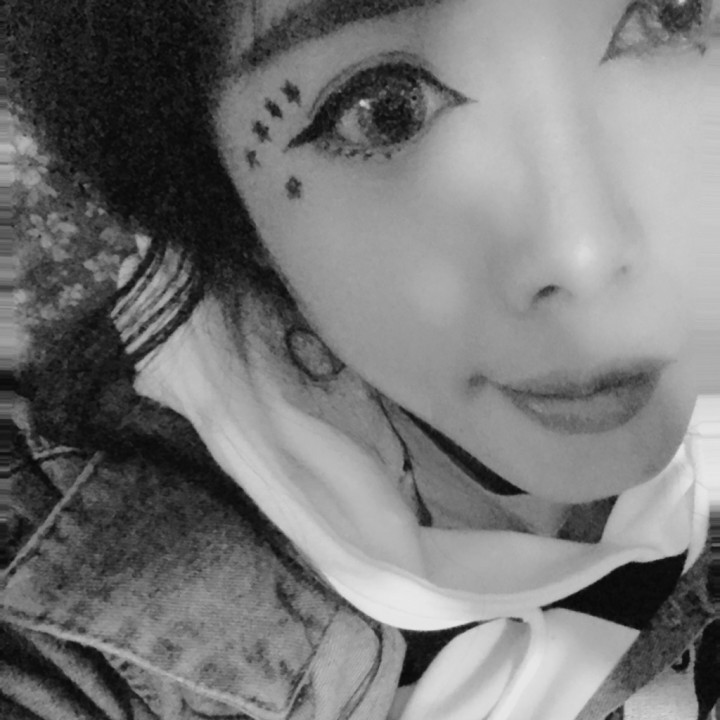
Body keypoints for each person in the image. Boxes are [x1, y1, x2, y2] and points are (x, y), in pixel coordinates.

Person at [5, 0, 720, 718]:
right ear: (233, 213)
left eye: (674, 15)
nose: (582, 255)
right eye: (385, 113)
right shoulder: (81, 616)